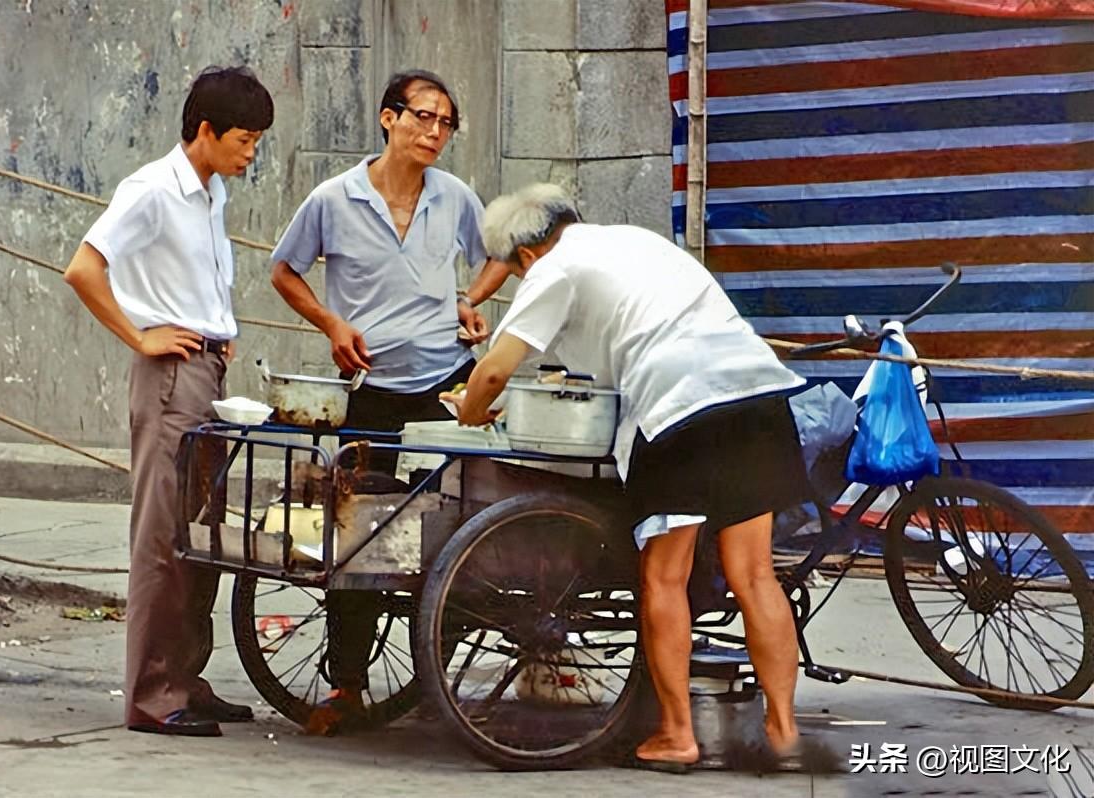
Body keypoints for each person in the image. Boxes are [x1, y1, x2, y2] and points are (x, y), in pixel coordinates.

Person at [444, 184, 810, 771]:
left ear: (526, 256)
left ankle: (677, 735)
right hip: (755, 392)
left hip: (678, 409)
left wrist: (469, 410)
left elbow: (490, 377)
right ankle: (785, 733)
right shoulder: (634, 242)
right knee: (756, 576)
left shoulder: (551, 269)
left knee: (664, 577)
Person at [269, 70, 509, 724]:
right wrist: (331, 324)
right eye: (423, 118)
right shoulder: (334, 199)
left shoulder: (454, 196)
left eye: (445, 123)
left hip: (446, 386)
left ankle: (439, 683)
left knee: (457, 531)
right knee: (361, 542)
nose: (435, 132)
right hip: (371, 392)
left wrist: (468, 299)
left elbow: (500, 254)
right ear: (388, 118)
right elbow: (283, 270)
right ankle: (347, 684)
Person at [62, 66, 274, 737]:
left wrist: (220, 331)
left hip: (206, 371)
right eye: (243, 139)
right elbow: (84, 267)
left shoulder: (211, 194)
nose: (251, 153)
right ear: (205, 130)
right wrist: (141, 335)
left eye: (258, 142)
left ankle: (187, 677)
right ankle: (153, 696)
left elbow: (197, 279)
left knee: (198, 534)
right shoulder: (153, 189)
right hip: (170, 377)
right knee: (161, 537)